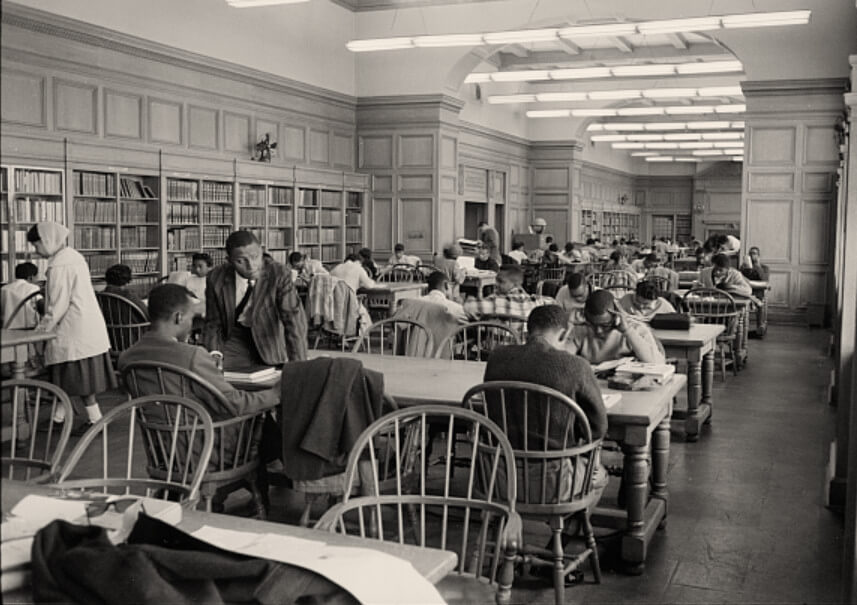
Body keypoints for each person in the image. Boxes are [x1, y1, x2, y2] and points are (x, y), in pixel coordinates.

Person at [483, 305, 608, 556]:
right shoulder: (575, 366)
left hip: (500, 475)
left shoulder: (497, 357)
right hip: (553, 482)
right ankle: (558, 548)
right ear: (565, 333)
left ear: (528, 329)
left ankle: (508, 532)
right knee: (600, 476)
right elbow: (598, 428)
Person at [118, 284, 279, 468]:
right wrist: (276, 393)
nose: (191, 324)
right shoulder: (191, 355)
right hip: (203, 449)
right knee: (266, 424)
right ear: (178, 317)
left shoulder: (127, 358)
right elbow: (234, 404)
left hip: (162, 451)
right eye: (191, 317)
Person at [27, 222, 115, 435]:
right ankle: (59, 417)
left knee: (76, 378)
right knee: (67, 378)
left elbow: (57, 306)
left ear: (46, 240)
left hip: (73, 329)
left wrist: (40, 332)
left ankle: (95, 420)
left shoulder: (60, 265)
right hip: (85, 326)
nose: (35, 250)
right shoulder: (72, 256)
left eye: (36, 244)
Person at [204, 230, 307, 371]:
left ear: (262, 251)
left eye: (255, 257)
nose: (251, 266)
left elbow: (293, 320)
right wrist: (214, 354)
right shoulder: (216, 278)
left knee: (273, 386)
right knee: (218, 379)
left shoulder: (278, 274)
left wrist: (299, 366)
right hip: (233, 340)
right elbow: (213, 323)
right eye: (241, 261)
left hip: (269, 341)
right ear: (229, 261)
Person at [566, 289, 665, 364]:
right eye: (592, 324)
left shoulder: (636, 329)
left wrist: (627, 331)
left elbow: (658, 364)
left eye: (605, 325)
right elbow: (559, 359)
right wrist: (569, 324)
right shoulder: (581, 330)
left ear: (616, 316)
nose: (598, 331)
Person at [464, 264, 552, 320]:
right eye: (496, 280)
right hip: (525, 347)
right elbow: (553, 302)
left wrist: (470, 297)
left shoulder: (496, 302)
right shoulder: (535, 302)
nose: (495, 284)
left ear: (516, 284)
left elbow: (468, 307)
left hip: (496, 347)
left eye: (501, 281)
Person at [1, 261, 42, 329]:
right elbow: (42, 307)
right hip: (28, 330)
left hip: (6, 330)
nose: (37, 280)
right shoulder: (33, 288)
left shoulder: (3, 289)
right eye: (36, 277)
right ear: (31, 277)